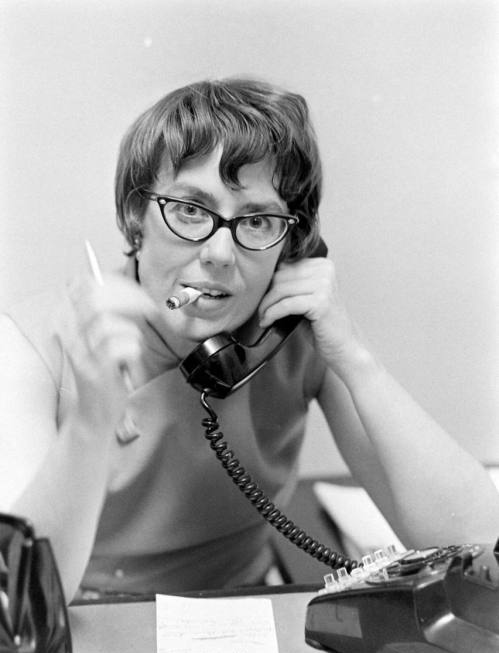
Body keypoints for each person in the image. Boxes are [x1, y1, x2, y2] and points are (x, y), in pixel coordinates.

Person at [1, 77, 497, 603]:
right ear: (134, 216)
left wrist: (354, 358)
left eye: (257, 220)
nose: (218, 253)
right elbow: (25, 595)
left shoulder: (291, 334)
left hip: (247, 609)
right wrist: (90, 423)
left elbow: (475, 544)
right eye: (190, 210)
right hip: (86, 621)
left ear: (290, 245)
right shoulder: (31, 346)